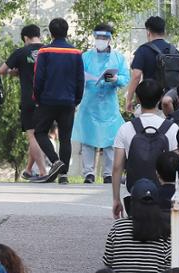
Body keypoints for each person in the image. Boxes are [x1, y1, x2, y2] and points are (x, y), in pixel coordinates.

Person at [112, 79, 178, 219]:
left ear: (138, 99)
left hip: (135, 195)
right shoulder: (172, 128)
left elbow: (117, 166)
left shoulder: (125, 128)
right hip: (164, 197)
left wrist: (116, 199)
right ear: (160, 98)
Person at [72, 24, 130, 184]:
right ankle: (88, 174)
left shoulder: (118, 58)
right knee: (87, 139)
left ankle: (109, 174)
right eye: (98, 37)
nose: (101, 41)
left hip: (109, 106)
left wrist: (115, 79)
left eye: (104, 38)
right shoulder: (86, 57)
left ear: (110, 38)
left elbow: (126, 78)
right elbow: (77, 76)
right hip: (89, 104)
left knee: (111, 140)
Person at [32, 18, 85, 184]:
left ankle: (56, 161)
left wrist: (37, 97)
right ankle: (63, 175)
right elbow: (80, 79)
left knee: (40, 132)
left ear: (50, 32)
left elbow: (38, 78)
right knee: (65, 138)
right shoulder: (76, 53)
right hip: (68, 100)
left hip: (47, 99)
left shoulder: (44, 52)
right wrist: (76, 99)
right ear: (67, 31)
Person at [0, 24, 48, 179]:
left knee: (32, 136)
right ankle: (28, 169)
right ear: (38, 35)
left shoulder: (21, 52)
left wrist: (16, 72)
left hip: (29, 98)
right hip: (48, 100)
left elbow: (1, 71)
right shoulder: (49, 50)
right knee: (41, 135)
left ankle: (43, 172)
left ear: (25, 38)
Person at [125, 16, 179, 113]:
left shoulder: (143, 50)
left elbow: (136, 76)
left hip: (149, 103)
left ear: (148, 31)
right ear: (164, 31)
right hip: (170, 101)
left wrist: (129, 100)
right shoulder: (174, 50)